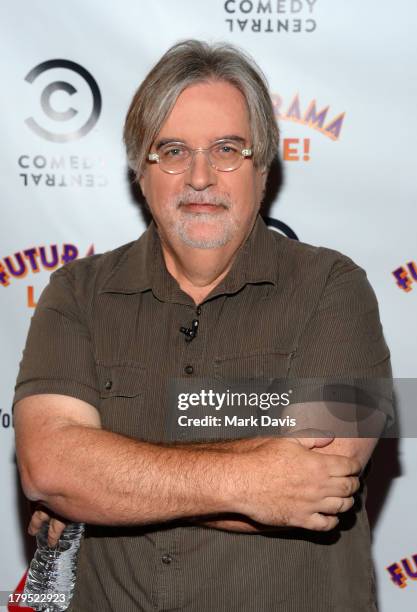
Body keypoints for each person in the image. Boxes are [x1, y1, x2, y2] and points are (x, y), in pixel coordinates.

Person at [13, 40, 392, 611]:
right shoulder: (77, 294)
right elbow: (51, 468)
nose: (199, 176)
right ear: (141, 172)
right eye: (172, 150)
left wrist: (107, 481)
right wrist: (254, 479)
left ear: (262, 168)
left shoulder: (335, 289)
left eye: (227, 149)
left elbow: (321, 484)